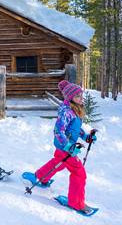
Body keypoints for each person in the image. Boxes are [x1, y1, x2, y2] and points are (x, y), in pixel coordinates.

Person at [22, 80, 97, 213]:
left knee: (58, 163)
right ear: (70, 97)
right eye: (77, 96)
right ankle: (76, 203)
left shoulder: (75, 110)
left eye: (81, 95)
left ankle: (41, 177)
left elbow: (75, 129)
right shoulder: (66, 112)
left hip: (66, 147)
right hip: (66, 148)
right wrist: (68, 146)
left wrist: (86, 137)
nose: (81, 98)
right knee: (79, 173)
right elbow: (58, 131)